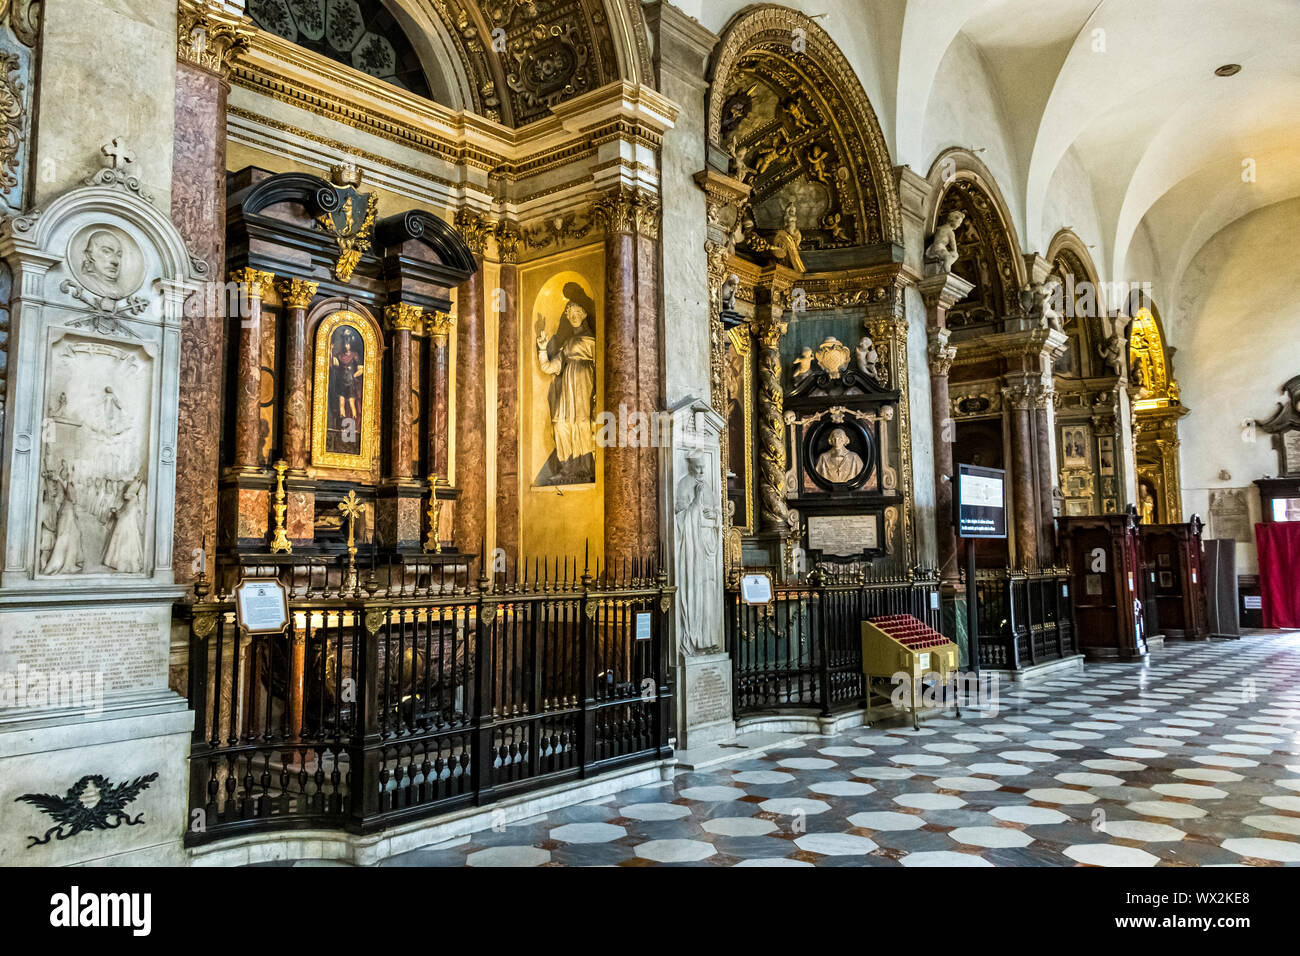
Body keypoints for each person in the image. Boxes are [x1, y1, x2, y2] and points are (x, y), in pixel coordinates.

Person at [536, 284, 597, 482]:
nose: (572, 317)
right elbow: (549, 368)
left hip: (584, 381)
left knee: (582, 423)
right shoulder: (567, 345)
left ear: (583, 314)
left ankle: (584, 470)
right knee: (560, 424)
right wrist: (543, 349)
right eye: (569, 314)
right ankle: (566, 469)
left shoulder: (592, 340)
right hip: (568, 383)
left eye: (575, 313)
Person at [674, 455, 720, 655]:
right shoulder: (684, 484)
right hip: (692, 549)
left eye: (703, 468)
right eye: (698, 468)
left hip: (708, 547)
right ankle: (694, 640)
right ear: (691, 466)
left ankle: (709, 640)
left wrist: (715, 516)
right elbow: (679, 517)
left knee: (709, 592)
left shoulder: (708, 486)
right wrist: (696, 503)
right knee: (695, 592)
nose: (701, 472)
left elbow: (717, 514)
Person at [42, 462, 83, 575]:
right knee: (65, 537)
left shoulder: (66, 483)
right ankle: (61, 563)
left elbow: (72, 499)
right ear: (60, 472)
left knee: (73, 536)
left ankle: (70, 561)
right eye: (64, 471)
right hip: (65, 513)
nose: (66, 473)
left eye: (67, 471)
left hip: (69, 512)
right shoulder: (60, 483)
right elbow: (61, 499)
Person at [102, 473, 147, 573]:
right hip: (126, 520)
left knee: (125, 541)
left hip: (127, 522)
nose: (125, 495)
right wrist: (117, 511)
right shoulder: (132, 499)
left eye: (127, 494)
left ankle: (123, 563)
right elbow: (124, 510)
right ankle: (116, 561)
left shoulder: (133, 500)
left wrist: (117, 513)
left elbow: (124, 513)